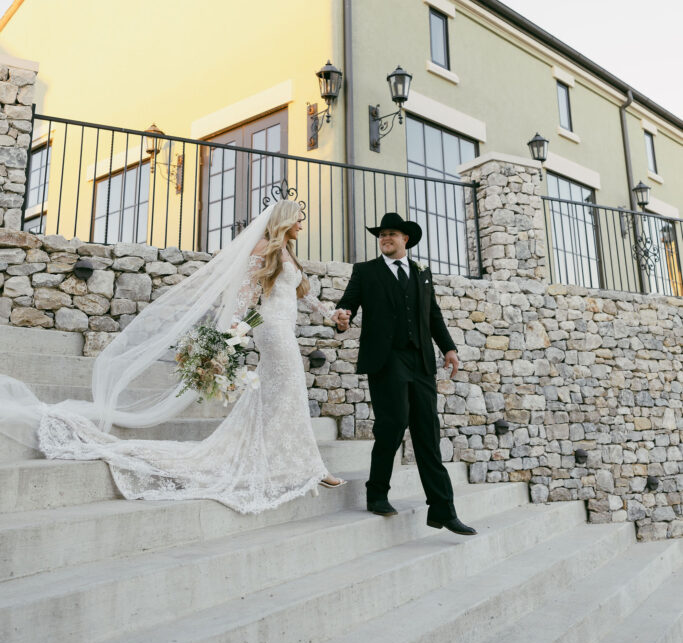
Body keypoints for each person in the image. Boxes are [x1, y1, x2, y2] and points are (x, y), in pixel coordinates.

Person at [0, 200, 345, 513]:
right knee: (289, 392)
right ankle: (311, 467)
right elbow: (244, 296)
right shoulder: (263, 248)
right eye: (300, 218)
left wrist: (331, 315)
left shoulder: (289, 252)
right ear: (286, 219)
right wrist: (228, 336)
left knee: (283, 395)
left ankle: (290, 461)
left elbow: (304, 293)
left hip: (285, 329)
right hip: (271, 329)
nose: (302, 223)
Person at [335, 212, 476, 535]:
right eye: (382, 234)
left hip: (421, 361)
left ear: (405, 240)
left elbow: (433, 313)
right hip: (386, 360)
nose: (385, 238)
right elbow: (347, 306)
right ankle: (377, 494)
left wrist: (449, 348)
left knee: (428, 432)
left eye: (392, 234)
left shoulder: (421, 272)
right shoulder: (365, 271)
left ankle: (443, 509)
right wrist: (342, 319)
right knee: (393, 423)